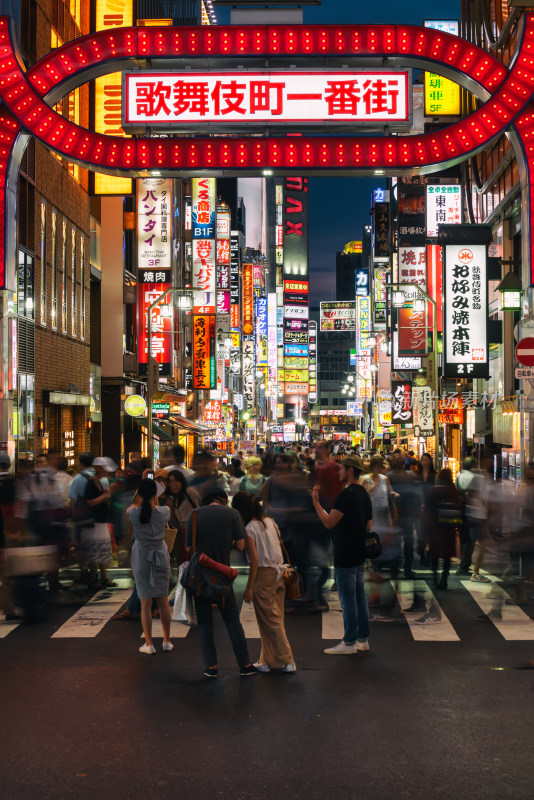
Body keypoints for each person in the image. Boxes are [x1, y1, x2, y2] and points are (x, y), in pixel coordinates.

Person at [185, 489, 257, 678]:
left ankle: (211, 667)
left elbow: (188, 548)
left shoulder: (194, 515)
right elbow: (241, 546)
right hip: (223, 576)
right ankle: (245, 665)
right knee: (232, 620)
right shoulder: (232, 514)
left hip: (200, 578)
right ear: (223, 501)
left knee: (205, 622)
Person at [312, 455, 373, 655]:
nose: (339, 472)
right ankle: (362, 640)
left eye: (342, 469)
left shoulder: (346, 495)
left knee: (347, 599)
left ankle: (348, 642)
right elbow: (369, 525)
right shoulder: (364, 493)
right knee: (359, 597)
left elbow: (329, 522)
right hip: (360, 551)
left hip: (345, 551)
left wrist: (316, 503)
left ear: (350, 471)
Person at [232, 492, 296, 673]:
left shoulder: (250, 529)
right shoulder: (270, 521)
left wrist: (249, 587)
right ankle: (267, 660)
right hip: (280, 574)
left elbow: (254, 560)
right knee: (275, 620)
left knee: (270, 621)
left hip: (264, 576)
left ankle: (288, 659)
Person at [128, 479, 173, 654]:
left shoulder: (134, 513)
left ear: (139, 493)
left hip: (141, 557)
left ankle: (148, 643)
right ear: (155, 495)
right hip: (160, 556)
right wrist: (156, 494)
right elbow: (156, 505)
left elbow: (132, 506)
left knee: (145, 602)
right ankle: (167, 641)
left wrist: (138, 496)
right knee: (162, 600)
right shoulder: (164, 512)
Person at [80, 457, 118, 590]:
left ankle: (103, 578)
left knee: (102, 550)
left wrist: (108, 493)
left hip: (100, 523)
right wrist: (107, 494)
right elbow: (90, 502)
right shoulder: (91, 483)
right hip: (93, 524)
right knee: (95, 552)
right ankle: (93, 580)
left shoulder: (100, 481)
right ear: (99, 469)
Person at [424, 469, 464, 591]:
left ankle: (435, 576)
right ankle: (444, 579)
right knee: (447, 555)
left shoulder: (433, 491)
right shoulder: (455, 492)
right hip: (450, 527)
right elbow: (460, 509)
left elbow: (428, 509)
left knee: (435, 553)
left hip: (436, 526)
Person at [164, 469, 199, 566]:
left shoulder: (190, 492)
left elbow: (198, 510)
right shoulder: (175, 498)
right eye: (170, 482)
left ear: (181, 481)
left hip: (192, 530)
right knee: (183, 559)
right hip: (182, 531)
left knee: (190, 558)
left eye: (176, 481)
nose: (173, 484)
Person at [313, 440, 343, 511]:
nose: (317, 450)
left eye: (320, 447)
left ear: (328, 450)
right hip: (321, 507)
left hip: (335, 508)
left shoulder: (337, 467)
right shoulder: (318, 466)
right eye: (316, 447)